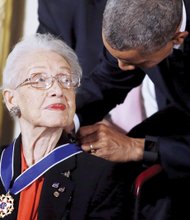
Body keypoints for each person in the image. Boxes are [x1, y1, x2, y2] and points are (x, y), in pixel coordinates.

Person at [76, 0, 190, 219]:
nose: (121, 66)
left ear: (177, 39)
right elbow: (110, 79)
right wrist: (68, 117)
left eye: (134, 62)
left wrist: (136, 148)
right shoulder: (130, 18)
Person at [0, 33, 127, 220]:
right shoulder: (3, 162)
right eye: (39, 80)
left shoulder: (100, 176)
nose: (58, 90)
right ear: (11, 99)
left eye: (66, 80)